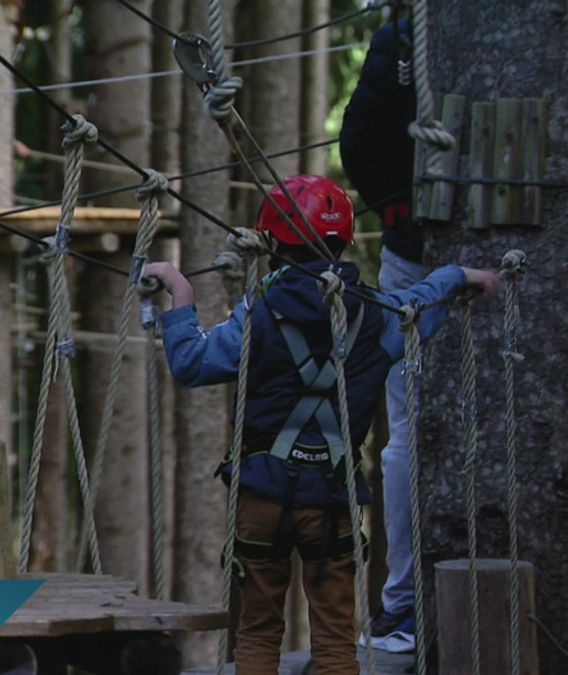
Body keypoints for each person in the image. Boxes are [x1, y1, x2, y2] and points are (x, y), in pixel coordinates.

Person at [144, 175, 500, 675]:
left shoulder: (259, 314)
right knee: (335, 638)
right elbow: (419, 302)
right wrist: (460, 274)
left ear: (271, 242)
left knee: (258, 632)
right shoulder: (377, 317)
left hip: (261, 495)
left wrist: (180, 290)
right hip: (332, 498)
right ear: (344, 241)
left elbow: (192, 364)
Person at [338, 17, 421, 652]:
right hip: (412, 248)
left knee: (405, 441)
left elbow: (361, 138)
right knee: (403, 443)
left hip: (409, 244)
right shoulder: (406, 35)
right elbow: (363, 137)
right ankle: (402, 601)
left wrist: (397, 206)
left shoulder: (405, 33)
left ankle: (403, 603)